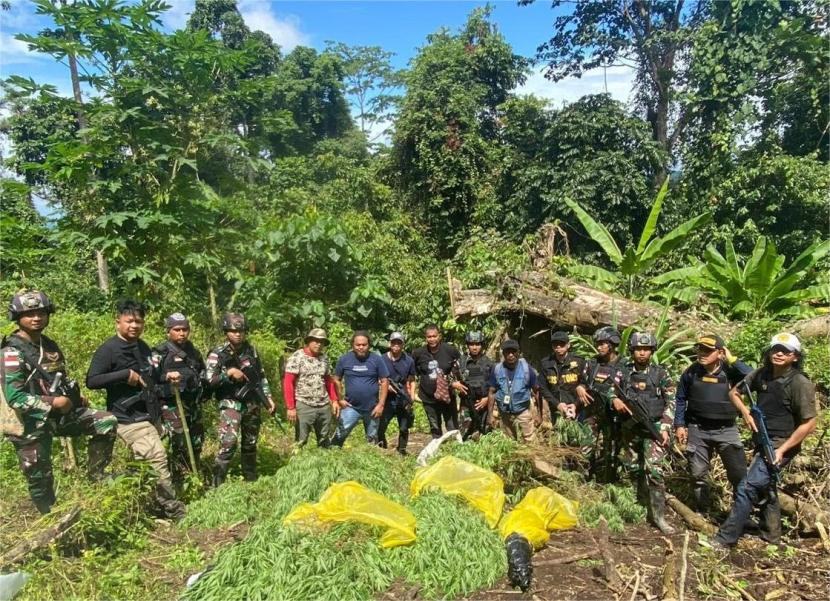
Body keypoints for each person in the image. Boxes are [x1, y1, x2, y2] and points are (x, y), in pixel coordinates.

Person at [2, 290, 117, 514]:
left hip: (59, 417)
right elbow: (15, 397)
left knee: (106, 421)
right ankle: (49, 521)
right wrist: (54, 402)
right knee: (40, 478)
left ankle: (96, 475)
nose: (36, 318)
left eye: (41, 312)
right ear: (17, 317)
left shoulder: (50, 346)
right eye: (29, 314)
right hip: (29, 424)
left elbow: (58, 378)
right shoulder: (11, 352)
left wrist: (75, 397)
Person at [713, 333, 817, 548]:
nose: (779, 354)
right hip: (762, 439)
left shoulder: (799, 383)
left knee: (747, 487)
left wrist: (782, 450)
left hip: (782, 443)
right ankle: (772, 536)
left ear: (795, 357)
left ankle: (726, 538)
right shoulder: (761, 374)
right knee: (766, 487)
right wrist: (745, 412)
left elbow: (809, 424)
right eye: (775, 349)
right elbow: (735, 392)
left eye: (785, 351)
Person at [87, 299, 184, 519]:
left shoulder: (142, 346)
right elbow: (92, 380)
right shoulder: (109, 349)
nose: (134, 325)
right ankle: (172, 508)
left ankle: (140, 504)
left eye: (139, 321)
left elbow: (152, 375)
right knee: (156, 457)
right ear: (118, 322)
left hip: (150, 414)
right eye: (129, 321)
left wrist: (167, 376)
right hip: (128, 417)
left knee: (143, 462)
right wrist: (123, 375)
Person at [674, 333, 752, 513]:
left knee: (739, 475)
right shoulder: (691, 372)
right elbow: (680, 398)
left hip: (727, 430)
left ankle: (741, 514)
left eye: (708, 350)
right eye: (700, 349)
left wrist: (733, 360)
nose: (702, 353)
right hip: (697, 429)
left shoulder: (730, 372)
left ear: (720, 352)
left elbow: (752, 376)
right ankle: (703, 512)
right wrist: (679, 424)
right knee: (697, 474)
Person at [608, 331, 676, 534]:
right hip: (630, 429)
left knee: (654, 471)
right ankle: (633, 507)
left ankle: (658, 517)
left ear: (652, 351)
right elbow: (610, 388)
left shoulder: (661, 374)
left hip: (653, 428)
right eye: (638, 349)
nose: (642, 353)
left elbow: (671, 402)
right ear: (632, 350)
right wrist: (615, 399)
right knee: (630, 467)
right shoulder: (623, 371)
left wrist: (664, 427)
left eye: (646, 349)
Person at [206, 312, 275, 487]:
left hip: (252, 402)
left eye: (242, 331)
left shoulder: (251, 351)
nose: (238, 334)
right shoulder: (218, 353)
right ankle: (217, 484)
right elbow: (209, 380)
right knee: (228, 442)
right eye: (233, 330)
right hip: (230, 402)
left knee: (250, 442)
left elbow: (261, 377)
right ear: (226, 331)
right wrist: (228, 374)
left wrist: (268, 398)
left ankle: (250, 480)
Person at [151, 312, 207, 484]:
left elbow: (202, 373)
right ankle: (177, 479)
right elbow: (149, 377)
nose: (182, 333)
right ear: (168, 331)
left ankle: (195, 474)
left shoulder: (193, 352)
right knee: (178, 440)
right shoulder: (159, 353)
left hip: (192, 403)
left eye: (185, 329)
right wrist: (167, 376)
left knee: (197, 440)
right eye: (177, 330)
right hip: (171, 404)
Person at [331, 331, 389, 446]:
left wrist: (381, 405)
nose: (361, 347)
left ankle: (370, 460)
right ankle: (333, 457)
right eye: (358, 345)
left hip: (372, 408)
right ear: (353, 345)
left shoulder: (376, 359)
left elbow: (384, 381)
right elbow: (336, 379)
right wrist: (339, 399)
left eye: (364, 345)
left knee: (372, 439)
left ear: (369, 345)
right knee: (339, 435)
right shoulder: (344, 359)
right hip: (351, 407)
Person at [283, 328, 338, 448]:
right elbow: (288, 382)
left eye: (322, 342)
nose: (318, 344)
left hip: (323, 404)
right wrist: (291, 407)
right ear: (309, 341)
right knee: (301, 441)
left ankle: (322, 463)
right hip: (304, 403)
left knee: (324, 439)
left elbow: (328, 380)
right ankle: (298, 465)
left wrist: (334, 400)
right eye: (316, 341)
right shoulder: (297, 357)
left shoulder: (324, 358)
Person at [584, 327, 623, 480]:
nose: (599, 347)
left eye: (602, 343)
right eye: (597, 344)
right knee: (586, 448)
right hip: (592, 414)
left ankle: (609, 484)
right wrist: (580, 387)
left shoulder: (624, 365)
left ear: (612, 344)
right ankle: (584, 481)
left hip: (613, 418)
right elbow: (583, 381)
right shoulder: (593, 363)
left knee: (611, 453)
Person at [412, 324, 463, 438]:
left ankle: (454, 450)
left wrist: (456, 383)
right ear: (425, 338)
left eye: (434, 336)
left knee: (452, 428)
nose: (432, 339)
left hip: (447, 397)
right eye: (429, 337)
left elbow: (459, 369)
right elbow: (413, 373)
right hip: (428, 398)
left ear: (439, 336)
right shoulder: (418, 353)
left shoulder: (450, 350)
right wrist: (412, 391)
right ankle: (437, 451)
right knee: (435, 428)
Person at [487, 339, 538, 443]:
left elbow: (537, 391)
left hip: (522, 411)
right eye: (507, 352)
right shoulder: (497, 369)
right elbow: (492, 392)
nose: (510, 355)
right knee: (509, 442)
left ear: (518, 352)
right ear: (503, 353)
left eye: (513, 351)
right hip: (505, 413)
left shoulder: (527, 369)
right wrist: (490, 414)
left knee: (530, 442)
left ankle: (531, 459)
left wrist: (539, 415)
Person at [538, 331, 590, 424]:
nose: (558, 347)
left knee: (578, 435)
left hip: (576, 408)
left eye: (562, 344)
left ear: (568, 345)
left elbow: (586, 384)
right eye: (555, 344)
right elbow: (542, 387)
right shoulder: (546, 363)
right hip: (556, 409)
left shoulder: (579, 361)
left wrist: (575, 405)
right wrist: (557, 404)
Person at [378, 332, 417, 454]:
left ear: (403, 345)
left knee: (404, 427)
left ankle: (402, 450)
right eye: (393, 342)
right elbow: (376, 377)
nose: (396, 345)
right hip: (387, 399)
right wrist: (385, 386)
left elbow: (412, 380)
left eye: (399, 343)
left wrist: (411, 397)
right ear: (390, 343)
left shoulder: (408, 360)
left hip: (402, 397)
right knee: (381, 425)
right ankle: (381, 446)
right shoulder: (382, 359)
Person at [457, 331, 494, 440]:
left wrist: (487, 399)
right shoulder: (461, 361)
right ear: (467, 345)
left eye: (477, 344)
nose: (474, 347)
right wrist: (455, 384)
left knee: (485, 433)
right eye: (471, 344)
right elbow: (449, 377)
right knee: (463, 434)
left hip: (483, 404)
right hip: (466, 403)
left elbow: (495, 386)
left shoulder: (489, 363)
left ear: (482, 345)